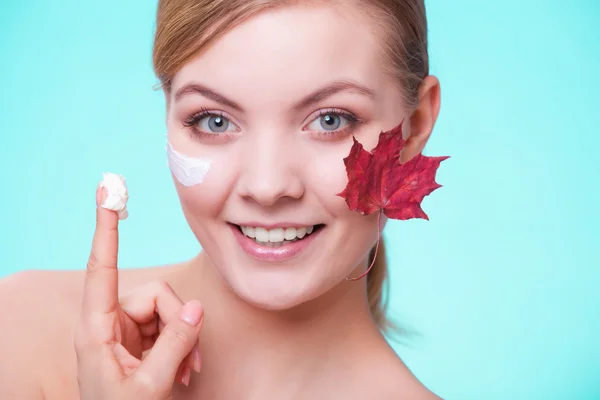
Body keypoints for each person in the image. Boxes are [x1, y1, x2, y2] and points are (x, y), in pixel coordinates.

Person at [0, 0, 443, 398]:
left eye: (330, 120)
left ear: (416, 125)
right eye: (214, 121)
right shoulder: (18, 332)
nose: (267, 187)